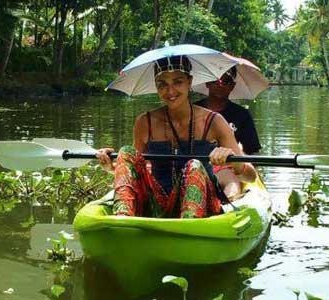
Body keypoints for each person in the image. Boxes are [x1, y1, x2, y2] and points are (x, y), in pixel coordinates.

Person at [96, 55, 257, 219]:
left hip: (204, 206)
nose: (170, 91)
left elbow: (251, 176)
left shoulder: (214, 121)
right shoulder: (145, 122)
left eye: (178, 82)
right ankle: (122, 219)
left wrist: (233, 161)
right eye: (162, 84)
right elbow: (136, 170)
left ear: (189, 82)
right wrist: (111, 166)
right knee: (127, 152)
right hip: (159, 202)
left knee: (194, 166)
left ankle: (189, 225)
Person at [195, 67, 262, 200]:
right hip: (197, 162)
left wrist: (238, 160)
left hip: (229, 165)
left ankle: (228, 204)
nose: (220, 85)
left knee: (231, 182)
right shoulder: (193, 111)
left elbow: (253, 153)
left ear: (232, 86)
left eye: (226, 81)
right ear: (207, 84)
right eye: (216, 81)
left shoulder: (242, 115)